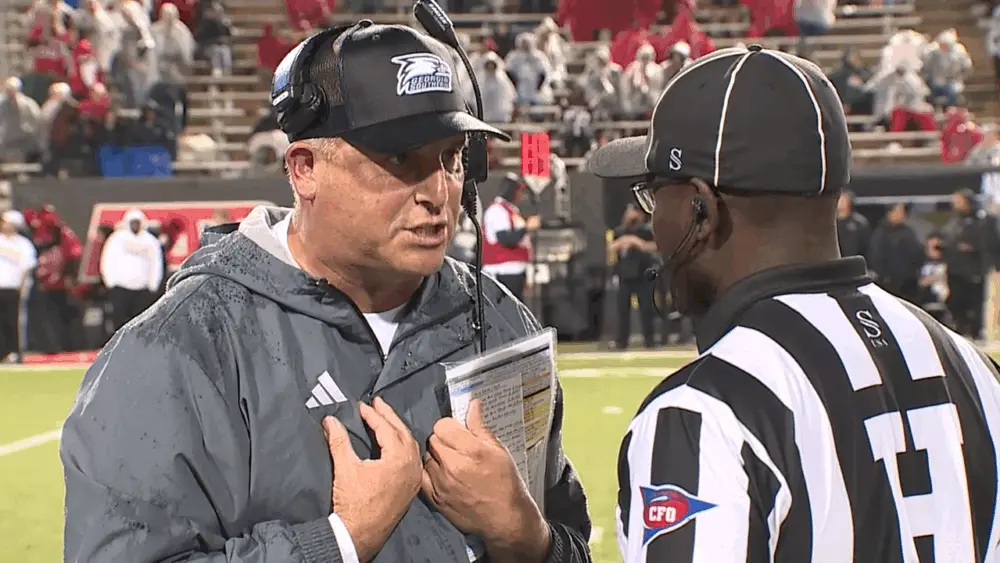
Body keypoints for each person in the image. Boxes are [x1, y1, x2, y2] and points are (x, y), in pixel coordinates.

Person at [61, 21, 592, 563]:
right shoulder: (177, 350)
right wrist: (338, 542)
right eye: (399, 161)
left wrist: (528, 539)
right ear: (305, 170)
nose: (439, 192)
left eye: (452, 157)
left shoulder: (503, 324)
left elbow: (573, 542)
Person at [588, 45, 1000, 562]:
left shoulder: (702, 413)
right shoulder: (975, 371)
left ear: (702, 208)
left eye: (653, 194)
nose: (652, 221)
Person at [99, 208, 164, 332]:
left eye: (138, 222)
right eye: (133, 222)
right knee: (119, 322)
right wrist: (110, 282)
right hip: (121, 288)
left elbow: (156, 263)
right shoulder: (116, 239)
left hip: (143, 289)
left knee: (142, 323)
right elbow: (107, 260)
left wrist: (153, 284)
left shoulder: (150, 241)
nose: (135, 225)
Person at [482, 172, 541, 300]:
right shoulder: (497, 210)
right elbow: (506, 239)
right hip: (503, 271)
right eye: (518, 190)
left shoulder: (510, 210)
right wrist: (527, 228)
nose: (521, 194)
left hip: (515, 271)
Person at [611, 203, 657, 349]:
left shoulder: (646, 231)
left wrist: (637, 243)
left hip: (643, 274)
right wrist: (619, 244)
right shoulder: (619, 231)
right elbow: (611, 250)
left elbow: (654, 246)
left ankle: (649, 340)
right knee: (623, 310)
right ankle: (621, 341)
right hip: (625, 275)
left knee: (646, 309)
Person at [0, 211, 37, 363]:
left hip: (12, 288)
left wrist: (22, 287)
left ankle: (13, 352)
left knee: (12, 321)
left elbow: (27, 267)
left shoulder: (23, 244)